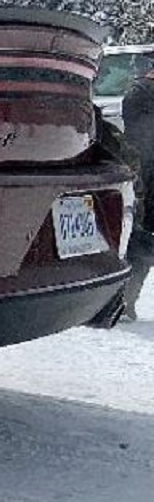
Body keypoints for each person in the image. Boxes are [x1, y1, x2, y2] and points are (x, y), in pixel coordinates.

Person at [114, 56, 154, 321]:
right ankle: (123, 298)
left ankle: (126, 298)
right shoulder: (140, 93)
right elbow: (139, 138)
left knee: (143, 240)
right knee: (140, 240)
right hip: (146, 176)